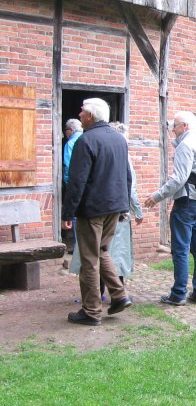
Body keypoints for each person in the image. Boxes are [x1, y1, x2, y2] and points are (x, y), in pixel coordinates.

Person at [61, 98, 133, 326]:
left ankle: (91, 311)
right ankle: (119, 295)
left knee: (89, 260)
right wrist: (123, 206)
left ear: (90, 115)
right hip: (114, 208)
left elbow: (77, 182)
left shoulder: (86, 140)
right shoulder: (119, 139)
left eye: (82, 111)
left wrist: (67, 213)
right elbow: (127, 176)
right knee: (102, 251)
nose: (79, 114)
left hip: (92, 210)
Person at [144, 111, 196, 305]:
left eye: (175, 126)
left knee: (180, 249)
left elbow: (179, 178)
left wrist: (157, 196)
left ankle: (179, 293)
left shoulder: (185, 145)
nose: (173, 130)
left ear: (185, 126)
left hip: (186, 202)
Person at [69, 123, 143, 295]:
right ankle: (116, 293)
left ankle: (108, 294)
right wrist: (136, 210)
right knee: (113, 253)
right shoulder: (122, 156)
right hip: (117, 211)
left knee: (104, 253)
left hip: (105, 210)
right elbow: (129, 188)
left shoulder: (107, 151)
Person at [62, 118, 83, 254]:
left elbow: (69, 165)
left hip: (74, 184)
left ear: (70, 130)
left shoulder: (70, 143)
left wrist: (68, 182)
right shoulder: (87, 139)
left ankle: (77, 247)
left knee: (74, 215)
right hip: (87, 183)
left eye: (66, 131)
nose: (65, 133)